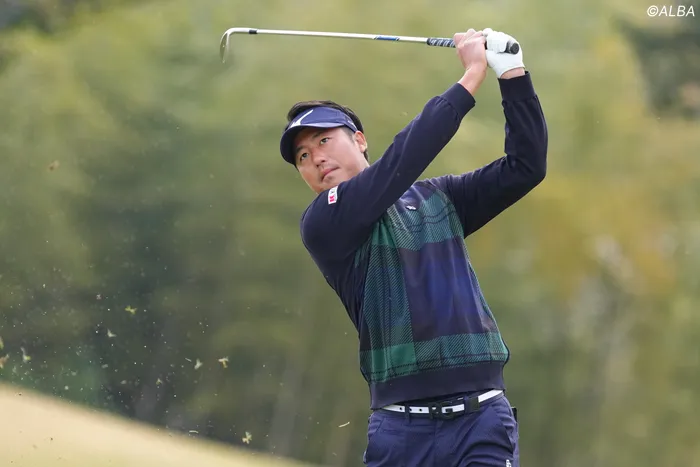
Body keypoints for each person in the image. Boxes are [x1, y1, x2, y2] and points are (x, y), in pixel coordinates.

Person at [278, 27, 547, 467]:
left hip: (482, 421)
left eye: (323, 141)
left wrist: (513, 75)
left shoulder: (439, 199)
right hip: (401, 434)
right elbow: (402, 160)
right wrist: (471, 76)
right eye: (302, 157)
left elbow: (526, 167)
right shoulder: (324, 222)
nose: (316, 158)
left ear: (359, 139)